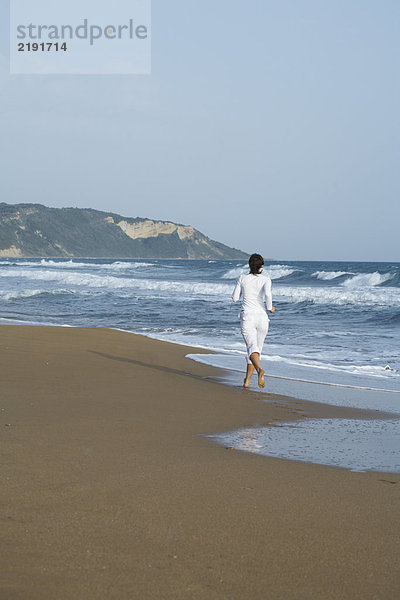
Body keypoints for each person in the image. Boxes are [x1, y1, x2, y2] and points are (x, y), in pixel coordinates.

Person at [232, 253, 275, 388]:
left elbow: (234, 298)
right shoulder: (266, 279)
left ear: (249, 265)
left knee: (252, 349)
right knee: (256, 350)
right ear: (262, 266)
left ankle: (259, 370)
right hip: (262, 317)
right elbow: (267, 294)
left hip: (248, 317)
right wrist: (270, 308)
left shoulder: (242, 278)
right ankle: (247, 381)